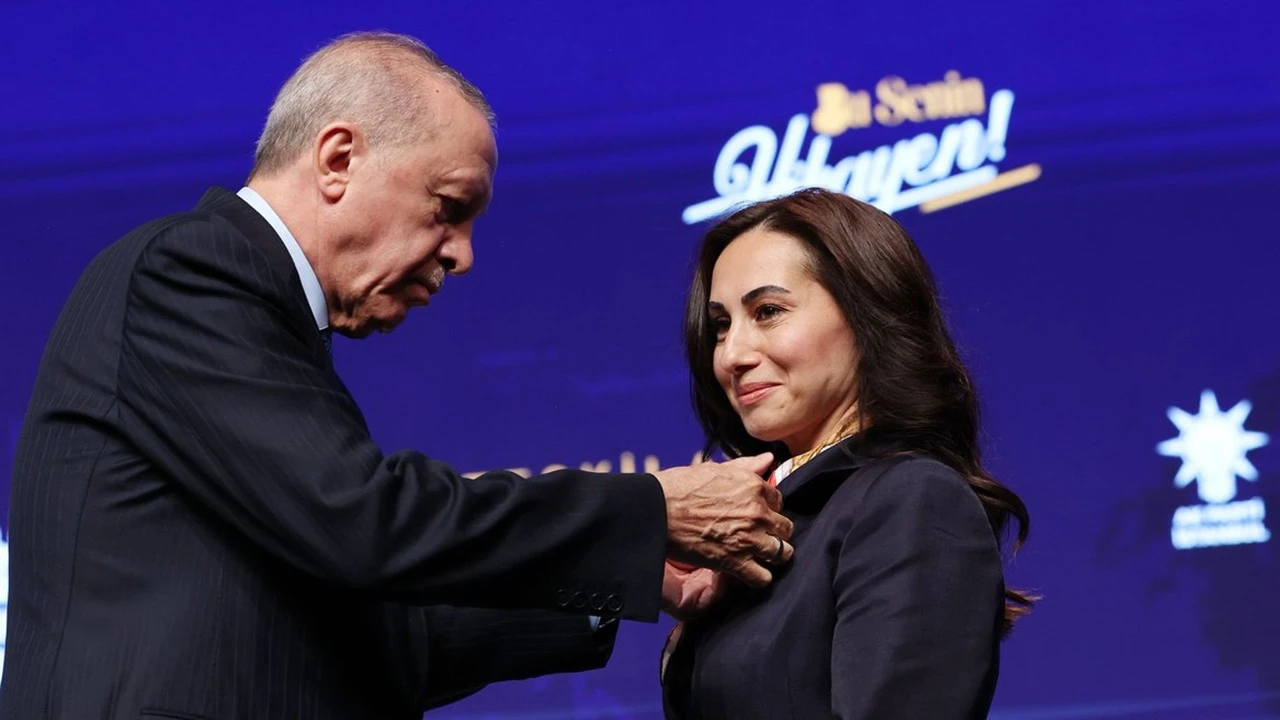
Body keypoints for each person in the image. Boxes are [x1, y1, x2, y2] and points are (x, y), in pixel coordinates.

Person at [0, 32, 796, 720]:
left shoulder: (258, 324)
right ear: (338, 159)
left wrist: (633, 581)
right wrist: (651, 509)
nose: (463, 255)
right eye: (448, 206)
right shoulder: (190, 272)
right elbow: (366, 521)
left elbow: (376, 638)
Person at [658, 188, 1035, 719]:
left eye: (768, 311)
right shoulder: (765, 523)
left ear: (865, 314)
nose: (732, 354)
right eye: (721, 325)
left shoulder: (912, 498)